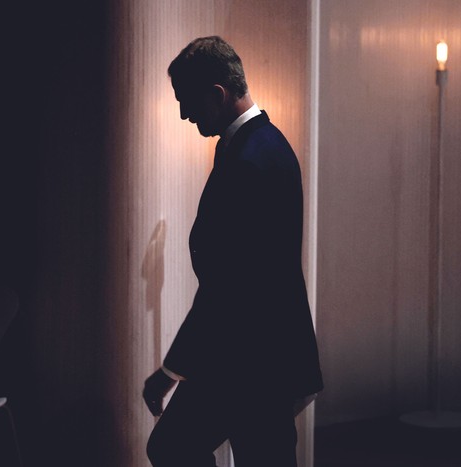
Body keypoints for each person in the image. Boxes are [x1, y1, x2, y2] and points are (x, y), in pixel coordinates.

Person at [143, 36, 323, 466]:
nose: (185, 114)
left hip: (247, 360)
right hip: (262, 354)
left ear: (217, 94)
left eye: (187, 101)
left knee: (171, 446)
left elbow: (229, 285)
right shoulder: (266, 145)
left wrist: (171, 371)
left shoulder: (249, 160)